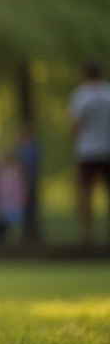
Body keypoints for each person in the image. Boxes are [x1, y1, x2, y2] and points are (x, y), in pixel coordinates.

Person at [69, 60, 110, 246]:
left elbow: (75, 124)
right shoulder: (108, 93)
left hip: (87, 150)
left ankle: (88, 233)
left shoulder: (80, 95)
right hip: (107, 148)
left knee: (87, 192)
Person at [0, 152, 27, 245]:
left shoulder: (18, 173)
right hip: (5, 202)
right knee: (4, 220)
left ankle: (16, 240)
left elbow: (22, 188)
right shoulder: (2, 174)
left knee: (16, 222)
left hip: (15, 201)